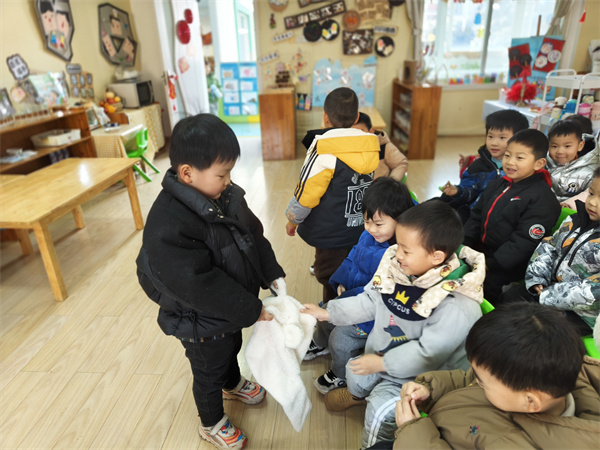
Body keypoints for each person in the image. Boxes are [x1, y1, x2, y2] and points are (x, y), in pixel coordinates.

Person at [136, 114, 286, 450]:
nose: (228, 181)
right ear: (187, 173)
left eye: (230, 172)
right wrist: (251, 309)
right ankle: (211, 422)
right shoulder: (169, 222)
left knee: (231, 346)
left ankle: (231, 383)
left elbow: (253, 235)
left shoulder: (225, 196)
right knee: (208, 370)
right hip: (198, 318)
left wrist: (271, 272)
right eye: (222, 174)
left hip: (226, 308)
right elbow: (197, 284)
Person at [302, 201, 486, 448]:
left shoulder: (458, 304)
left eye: (406, 251)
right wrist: (328, 313)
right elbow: (370, 300)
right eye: (398, 245)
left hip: (419, 379)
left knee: (379, 412)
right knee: (355, 370)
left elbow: (428, 353)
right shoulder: (398, 269)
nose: (397, 254)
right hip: (382, 353)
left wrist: (382, 364)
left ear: (437, 257)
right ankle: (357, 396)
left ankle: (371, 443)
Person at [387, 303, 599, 450]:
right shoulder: (527, 379)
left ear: (531, 401)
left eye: (483, 382)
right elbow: (468, 380)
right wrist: (430, 388)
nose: (477, 381)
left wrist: (413, 433)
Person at [304, 178, 414, 395]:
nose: (371, 228)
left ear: (401, 220)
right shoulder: (369, 235)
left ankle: (340, 375)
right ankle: (320, 342)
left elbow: (380, 302)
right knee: (324, 313)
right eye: (366, 221)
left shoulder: (402, 256)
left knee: (341, 339)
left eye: (378, 224)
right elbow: (352, 256)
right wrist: (342, 279)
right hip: (353, 297)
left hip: (372, 316)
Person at [285, 87, 380, 302]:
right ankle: (351, 305)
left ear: (325, 117)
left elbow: (307, 193)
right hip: (360, 227)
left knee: (329, 275)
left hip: (330, 232)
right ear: (357, 117)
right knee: (353, 269)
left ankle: (331, 313)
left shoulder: (323, 149)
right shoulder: (370, 147)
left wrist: (293, 219)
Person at [463, 129, 561, 303]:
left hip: (509, 267)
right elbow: (476, 215)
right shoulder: (498, 184)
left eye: (519, 158)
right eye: (507, 155)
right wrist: (465, 245)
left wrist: (490, 264)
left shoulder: (542, 199)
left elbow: (524, 242)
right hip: (483, 254)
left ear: (538, 163)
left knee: (484, 288)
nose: (510, 162)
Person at [521, 167, 600, 333]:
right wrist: (537, 279)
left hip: (583, 315)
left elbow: (594, 291)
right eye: (591, 194)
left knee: (537, 327)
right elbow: (550, 245)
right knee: (512, 299)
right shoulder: (574, 219)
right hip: (547, 291)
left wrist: (548, 295)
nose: (592, 202)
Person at [440, 110, 529, 223]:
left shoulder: (524, 169)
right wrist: (458, 191)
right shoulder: (477, 167)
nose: (494, 143)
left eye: (502, 138)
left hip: (506, 220)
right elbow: (469, 192)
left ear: (519, 140)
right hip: (476, 217)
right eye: (490, 136)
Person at [546, 118, 600, 203]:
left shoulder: (591, 171)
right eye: (554, 146)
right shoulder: (543, 161)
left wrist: (569, 204)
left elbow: (589, 195)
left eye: (567, 146)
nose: (560, 151)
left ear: (580, 146)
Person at [353, 112, 408, 182]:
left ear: (371, 131)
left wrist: (389, 183)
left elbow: (401, 163)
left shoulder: (382, 145)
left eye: (361, 131)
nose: (357, 136)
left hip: (379, 186)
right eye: (352, 133)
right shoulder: (345, 147)